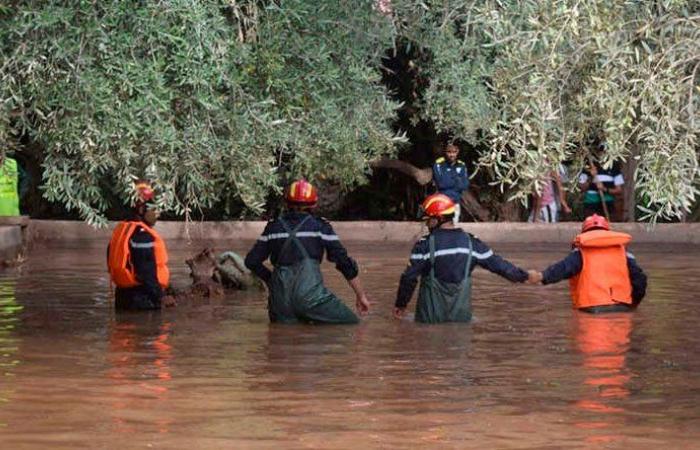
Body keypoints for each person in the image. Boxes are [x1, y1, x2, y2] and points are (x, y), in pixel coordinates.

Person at [244, 179, 370, 324]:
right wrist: (361, 296)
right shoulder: (320, 228)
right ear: (314, 204)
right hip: (311, 299)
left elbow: (251, 261)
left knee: (281, 342)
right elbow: (344, 263)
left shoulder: (273, 228)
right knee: (354, 326)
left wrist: (272, 280)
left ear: (286, 203)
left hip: (280, 303)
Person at [393, 193, 530, 323]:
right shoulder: (472, 244)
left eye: (428, 220)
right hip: (462, 322)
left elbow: (409, 278)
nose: (427, 225)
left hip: (430, 321)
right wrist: (525, 276)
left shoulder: (424, 245)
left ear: (437, 219)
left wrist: (401, 305)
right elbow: (500, 266)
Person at [528, 214, 647, 313]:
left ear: (584, 232)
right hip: (622, 308)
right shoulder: (624, 252)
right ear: (607, 231)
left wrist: (542, 276)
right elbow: (640, 280)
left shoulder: (581, 252)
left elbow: (563, 268)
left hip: (592, 309)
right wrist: (633, 303)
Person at [107, 180, 175, 310]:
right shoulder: (142, 236)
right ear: (141, 208)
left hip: (122, 296)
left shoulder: (122, 230)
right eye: (154, 208)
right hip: (142, 298)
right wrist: (160, 297)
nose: (157, 213)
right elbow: (145, 272)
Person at [578, 146, 624, 218]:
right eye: (599, 151)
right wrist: (591, 176)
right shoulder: (588, 166)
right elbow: (582, 187)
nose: (602, 153)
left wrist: (604, 189)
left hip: (608, 204)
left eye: (604, 151)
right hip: (591, 204)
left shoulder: (614, 167)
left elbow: (619, 190)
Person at [432, 144, 469, 224]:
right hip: (442, 202)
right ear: (445, 152)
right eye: (449, 152)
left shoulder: (461, 165)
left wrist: (449, 179)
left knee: (454, 226)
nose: (452, 155)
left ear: (457, 152)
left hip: (456, 202)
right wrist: (457, 179)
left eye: (454, 152)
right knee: (441, 226)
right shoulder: (439, 164)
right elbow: (441, 184)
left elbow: (465, 185)